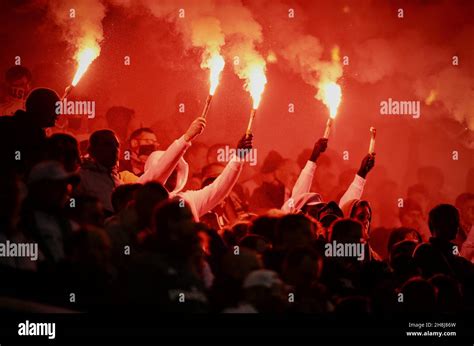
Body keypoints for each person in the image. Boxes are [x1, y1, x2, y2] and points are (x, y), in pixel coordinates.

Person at [0, 87, 60, 176]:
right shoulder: (25, 135)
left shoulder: (7, 123)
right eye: (56, 108)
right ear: (43, 109)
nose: (58, 114)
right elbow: (17, 156)